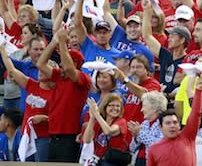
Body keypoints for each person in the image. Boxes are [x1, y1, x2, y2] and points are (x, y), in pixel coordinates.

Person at [36, 29, 91, 162]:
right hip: (53, 134)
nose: (60, 64)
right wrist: (54, 41)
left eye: (64, 60)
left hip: (69, 136)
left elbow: (68, 68)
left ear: (76, 63)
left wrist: (62, 43)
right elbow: (40, 63)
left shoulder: (83, 78)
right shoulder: (59, 77)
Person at [147, 76, 202, 166]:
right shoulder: (154, 149)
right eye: (168, 123)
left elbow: (196, 113)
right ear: (160, 127)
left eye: (175, 122)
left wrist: (198, 91)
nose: (172, 125)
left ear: (179, 125)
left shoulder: (188, 137)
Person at [83, 95, 131, 166]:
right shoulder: (99, 123)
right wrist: (92, 118)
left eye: (118, 106)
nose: (115, 108)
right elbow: (86, 140)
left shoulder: (121, 121)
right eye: (111, 105)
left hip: (113, 161)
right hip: (98, 160)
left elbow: (108, 131)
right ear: (105, 107)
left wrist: (97, 114)